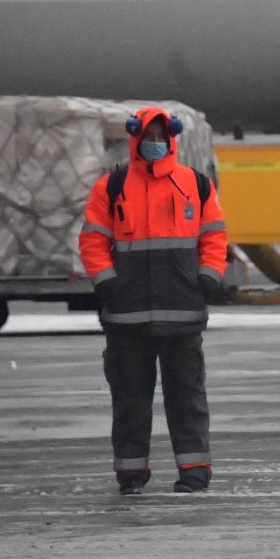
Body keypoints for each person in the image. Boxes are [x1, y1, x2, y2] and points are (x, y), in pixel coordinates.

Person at [79, 107, 228, 495]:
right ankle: (131, 472)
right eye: (149, 136)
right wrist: (107, 282)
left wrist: (209, 277)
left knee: (187, 397)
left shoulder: (195, 185)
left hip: (181, 313)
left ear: (172, 139)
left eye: (162, 137)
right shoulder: (110, 188)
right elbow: (93, 240)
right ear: (135, 139)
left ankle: (194, 471)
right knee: (130, 398)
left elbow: (215, 236)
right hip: (126, 316)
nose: (155, 144)